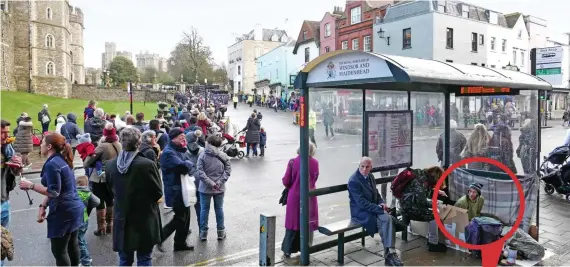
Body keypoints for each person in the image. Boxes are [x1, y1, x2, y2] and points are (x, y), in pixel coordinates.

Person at [19, 133, 83, 266]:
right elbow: (57, 188)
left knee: (59, 251)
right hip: (74, 208)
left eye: (42, 143)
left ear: (49, 146)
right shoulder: (62, 159)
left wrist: (31, 185)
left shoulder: (53, 164)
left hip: (63, 211)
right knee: (72, 245)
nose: (40, 146)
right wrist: (43, 206)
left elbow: (54, 191)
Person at [106, 127, 163, 265]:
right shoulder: (147, 164)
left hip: (123, 217)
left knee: (124, 260)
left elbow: (110, 190)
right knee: (144, 258)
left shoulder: (110, 165)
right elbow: (158, 192)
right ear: (138, 143)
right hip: (145, 217)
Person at [348, 157, 403, 266]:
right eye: (362, 166)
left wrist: (382, 203)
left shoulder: (370, 176)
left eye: (367, 167)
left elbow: (376, 194)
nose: (364, 169)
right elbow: (361, 203)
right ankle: (390, 256)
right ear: (359, 165)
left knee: (387, 219)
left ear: (371, 167)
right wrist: (379, 208)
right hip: (361, 212)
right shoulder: (354, 180)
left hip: (372, 210)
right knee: (387, 221)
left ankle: (390, 253)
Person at [158, 127, 195, 251]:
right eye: (181, 137)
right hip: (175, 190)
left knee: (186, 217)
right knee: (180, 218)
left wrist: (187, 165)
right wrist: (187, 165)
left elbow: (188, 164)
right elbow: (183, 166)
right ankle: (160, 237)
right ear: (173, 138)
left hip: (182, 189)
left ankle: (180, 243)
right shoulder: (169, 153)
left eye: (184, 136)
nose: (184, 139)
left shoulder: (179, 150)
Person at [398, 166, 448, 253]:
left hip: (405, 204)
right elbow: (422, 202)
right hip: (409, 208)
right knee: (434, 215)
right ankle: (433, 243)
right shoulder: (421, 182)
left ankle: (431, 239)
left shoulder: (420, 176)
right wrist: (434, 204)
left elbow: (420, 192)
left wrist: (436, 191)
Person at [83, 122, 122, 236]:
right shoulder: (119, 144)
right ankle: (110, 225)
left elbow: (87, 162)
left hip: (100, 178)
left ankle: (101, 227)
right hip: (113, 177)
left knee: (99, 202)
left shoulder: (102, 146)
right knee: (110, 200)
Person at [281, 143, 319, 258]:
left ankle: (288, 249)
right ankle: (307, 247)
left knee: (293, 223)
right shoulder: (315, 163)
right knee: (308, 222)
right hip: (310, 196)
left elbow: (286, 181)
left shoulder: (293, 162)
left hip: (295, 197)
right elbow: (315, 178)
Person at [197, 135, 231, 241]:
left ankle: (203, 233)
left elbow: (200, 172)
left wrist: (211, 183)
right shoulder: (223, 155)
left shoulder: (202, 156)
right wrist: (219, 183)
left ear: (208, 143)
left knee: (204, 210)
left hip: (205, 188)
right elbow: (228, 170)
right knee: (219, 209)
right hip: (219, 188)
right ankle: (220, 232)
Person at [1, 120, 22, 229]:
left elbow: (16, 172)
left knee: (5, 240)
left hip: (4, 199)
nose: (6, 136)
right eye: (2, 132)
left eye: (7, 132)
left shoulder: (8, 147)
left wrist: (17, 167)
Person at [75, 176, 100, 266]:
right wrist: (89, 206)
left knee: (79, 241)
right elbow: (97, 202)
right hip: (84, 219)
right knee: (82, 239)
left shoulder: (74, 192)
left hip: (77, 221)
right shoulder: (88, 193)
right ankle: (87, 257)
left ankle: (85, 261)